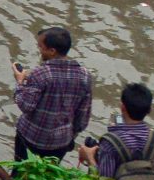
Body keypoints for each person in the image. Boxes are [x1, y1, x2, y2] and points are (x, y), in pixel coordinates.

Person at [14, 25, 94, 162]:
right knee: (49, 176)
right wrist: (70, 135)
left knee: (20, 174)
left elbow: (26, 105)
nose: (39, 51)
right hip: (60, 143)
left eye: (41, 47)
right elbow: (82, 118)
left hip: (31, 138)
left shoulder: (40, 74)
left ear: (52, 51)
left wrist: (20, 82)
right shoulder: (85, 76)